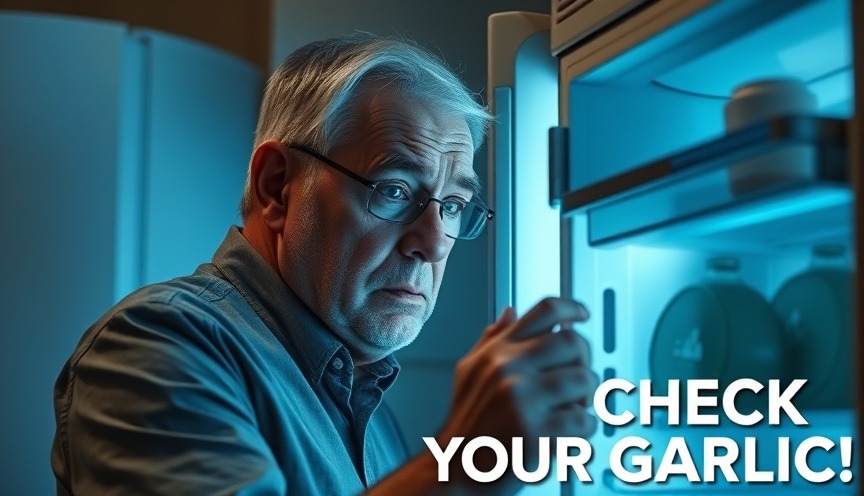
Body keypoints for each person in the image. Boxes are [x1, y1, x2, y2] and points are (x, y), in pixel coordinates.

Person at [52, 32, 598, 495]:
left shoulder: (374, 411)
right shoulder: (158, 345)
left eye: (452, 205)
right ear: (277, 187)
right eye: (394, 189)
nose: (431, 243)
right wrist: (457, 469)